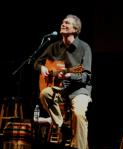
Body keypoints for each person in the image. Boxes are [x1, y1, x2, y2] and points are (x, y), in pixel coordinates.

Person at [34, 14, 92, 149]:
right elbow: (37, 62)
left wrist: (69, 76)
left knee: (78, 113)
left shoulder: (84, 48)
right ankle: (59, 123)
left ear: (75, 29)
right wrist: (42, 67)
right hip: (60, 88)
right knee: (44, 94)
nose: (63, 24)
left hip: (79, 90)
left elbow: (86, 76)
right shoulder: (53, 46)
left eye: (67, 23)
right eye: (62, 22)